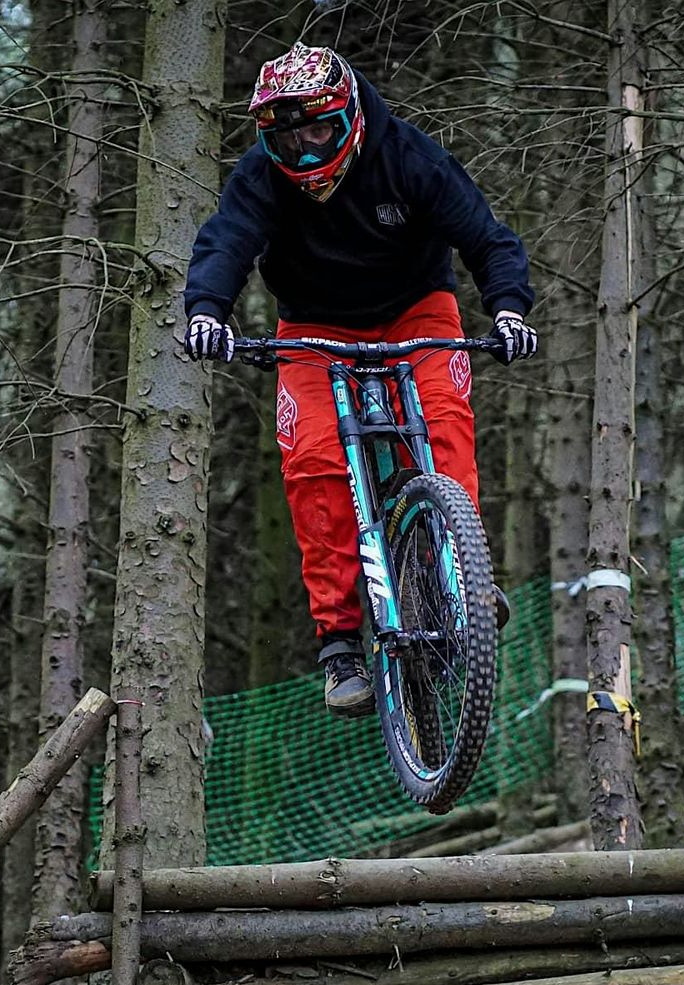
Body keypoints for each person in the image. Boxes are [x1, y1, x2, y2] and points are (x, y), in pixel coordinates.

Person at [183, 42, 537, 717]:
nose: (307, 149)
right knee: (313, 459)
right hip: (314, 326)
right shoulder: (264, 175)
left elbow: (486, 237)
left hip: (417, 311)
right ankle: (340, 642)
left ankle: (463, 572)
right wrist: (208, 311)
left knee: (443, 419)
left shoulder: (407, 155)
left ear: (349, 117)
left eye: (319, 129)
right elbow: (227, 240)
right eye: (288, 135)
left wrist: (509, 309)